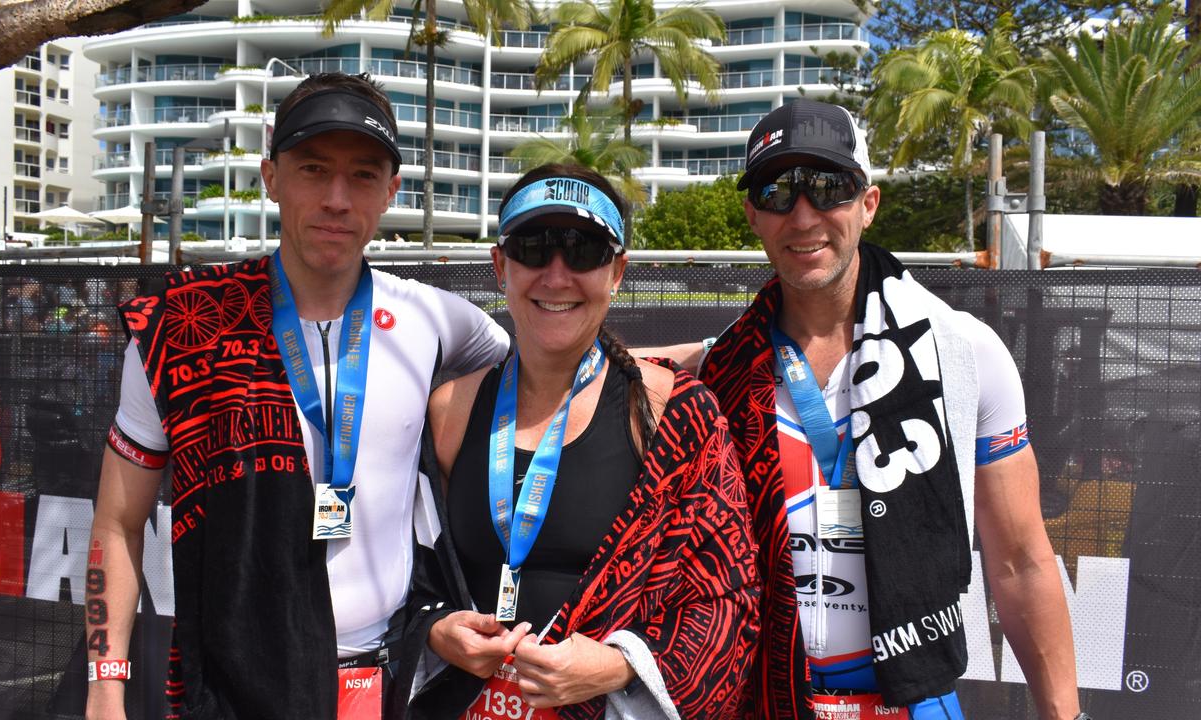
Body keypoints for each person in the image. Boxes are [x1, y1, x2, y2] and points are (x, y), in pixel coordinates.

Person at [83, 73, 510, 720]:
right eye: (313, 169)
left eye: (364, 176)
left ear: (392, 191)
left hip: (391, 679)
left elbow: (548, 372)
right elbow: (117, 522)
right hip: (234, 686)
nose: (337, 199)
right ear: (271, 177)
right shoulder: (182, 329)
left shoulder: (435, 320)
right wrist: (105, 685)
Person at [649, 100, 1085, 720]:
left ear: (868, 203)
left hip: (911, 701)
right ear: (752, 214)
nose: (803, 216)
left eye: (828, 187)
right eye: (777, 192)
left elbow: (1020, 561)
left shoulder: (963, 352)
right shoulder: (722, 368)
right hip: (759, 701)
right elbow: (592, 370)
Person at [397, 164, 761, 719]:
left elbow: (726, 598)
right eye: (534, 247)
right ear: (501, 266)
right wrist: (437, 628)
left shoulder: (670, 414)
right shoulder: (451, 410)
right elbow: (411, 571)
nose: (557, 274)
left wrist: (619, 665)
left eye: (585, 250)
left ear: (617, 272)